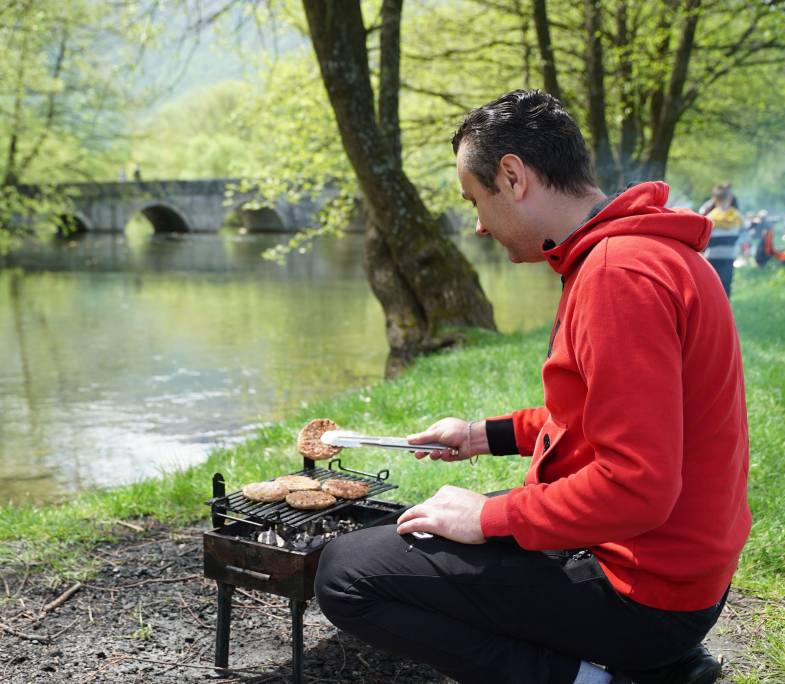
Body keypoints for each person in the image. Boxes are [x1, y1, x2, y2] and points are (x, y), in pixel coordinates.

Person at [315, 90, 750, 684]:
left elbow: (639, 488)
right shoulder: (643, 253)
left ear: (514, 176)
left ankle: (610, 679)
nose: (478, 225)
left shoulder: (617, 275)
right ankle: (654, 663)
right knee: (425, 526)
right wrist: (479, 436)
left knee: (346, 574)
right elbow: (591, 419)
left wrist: (489, 517)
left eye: (476, 200)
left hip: (645, 594)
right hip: (679, 573)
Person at [704, 185, 744, 297]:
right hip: (729, 255)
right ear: (730, 199)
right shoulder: (737, 216)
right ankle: (725, 309)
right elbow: (743, 232)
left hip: (711, 256)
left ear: (715, 199)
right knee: (726, 285)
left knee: (712, 285)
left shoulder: (710, 216)